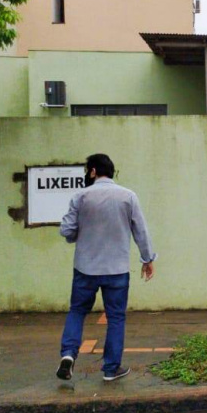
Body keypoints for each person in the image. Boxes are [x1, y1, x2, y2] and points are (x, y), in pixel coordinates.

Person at [57, 154, 156, 382]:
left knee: (77, 311)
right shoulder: (128, 196)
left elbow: (67, 230)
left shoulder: (80, 196)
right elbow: (140, 231)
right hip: (116, 270)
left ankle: (69, 355)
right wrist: (147, 259)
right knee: (116, 318)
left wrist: (78, 234)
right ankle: (111, 369)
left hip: (85, 268)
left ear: (93, 171)